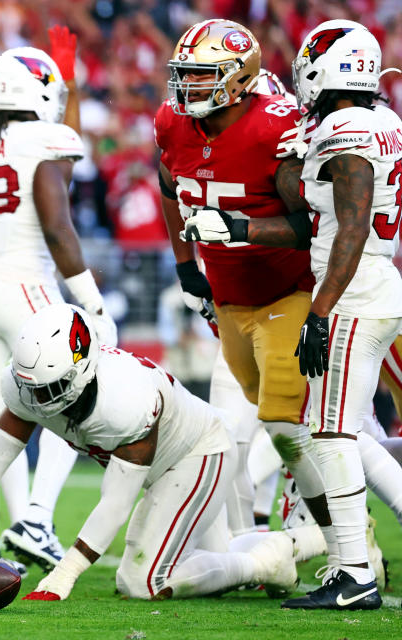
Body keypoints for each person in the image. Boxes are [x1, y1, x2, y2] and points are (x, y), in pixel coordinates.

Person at [183, 20, 402, 610]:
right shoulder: (380, 120)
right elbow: (327, 222)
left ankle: (353, 573)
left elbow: (347, 227)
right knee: (343, 434)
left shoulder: (347, 128)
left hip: (352, 289)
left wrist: (321, 309)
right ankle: (348, 567)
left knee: (332, 435)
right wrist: (239, 228)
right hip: (372, 282)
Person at [0, 304, 298, 601]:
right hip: (166, 465)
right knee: (214, 555)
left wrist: (65, 572)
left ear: (81, 370)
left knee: (144, 580)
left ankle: (265, 563)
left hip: (198, 453)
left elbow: (116, 502)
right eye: (31, 387)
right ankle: (298, 544)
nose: (37, 400)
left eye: (49, 389)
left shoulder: (124, 402)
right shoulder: (31, 384)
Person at [0, 46, 116, 572]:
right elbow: (58, 227)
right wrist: (91, 302)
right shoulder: (45, 138)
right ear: (40, 92)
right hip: (24, 286)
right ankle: (36, 517)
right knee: (76, 400)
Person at [156, 19, 335, 563]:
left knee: (282, 422)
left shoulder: (271, 127)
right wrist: (186, 265)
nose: (187, 88)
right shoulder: (172, 122)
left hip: (288, 289)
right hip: (230, 298)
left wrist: (239, 229)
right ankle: (272, 532)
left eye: (202, 75)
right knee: (244, 427)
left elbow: (311, 224)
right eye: (183, 75)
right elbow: (169, 185)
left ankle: (343, 539)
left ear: (240, 79)